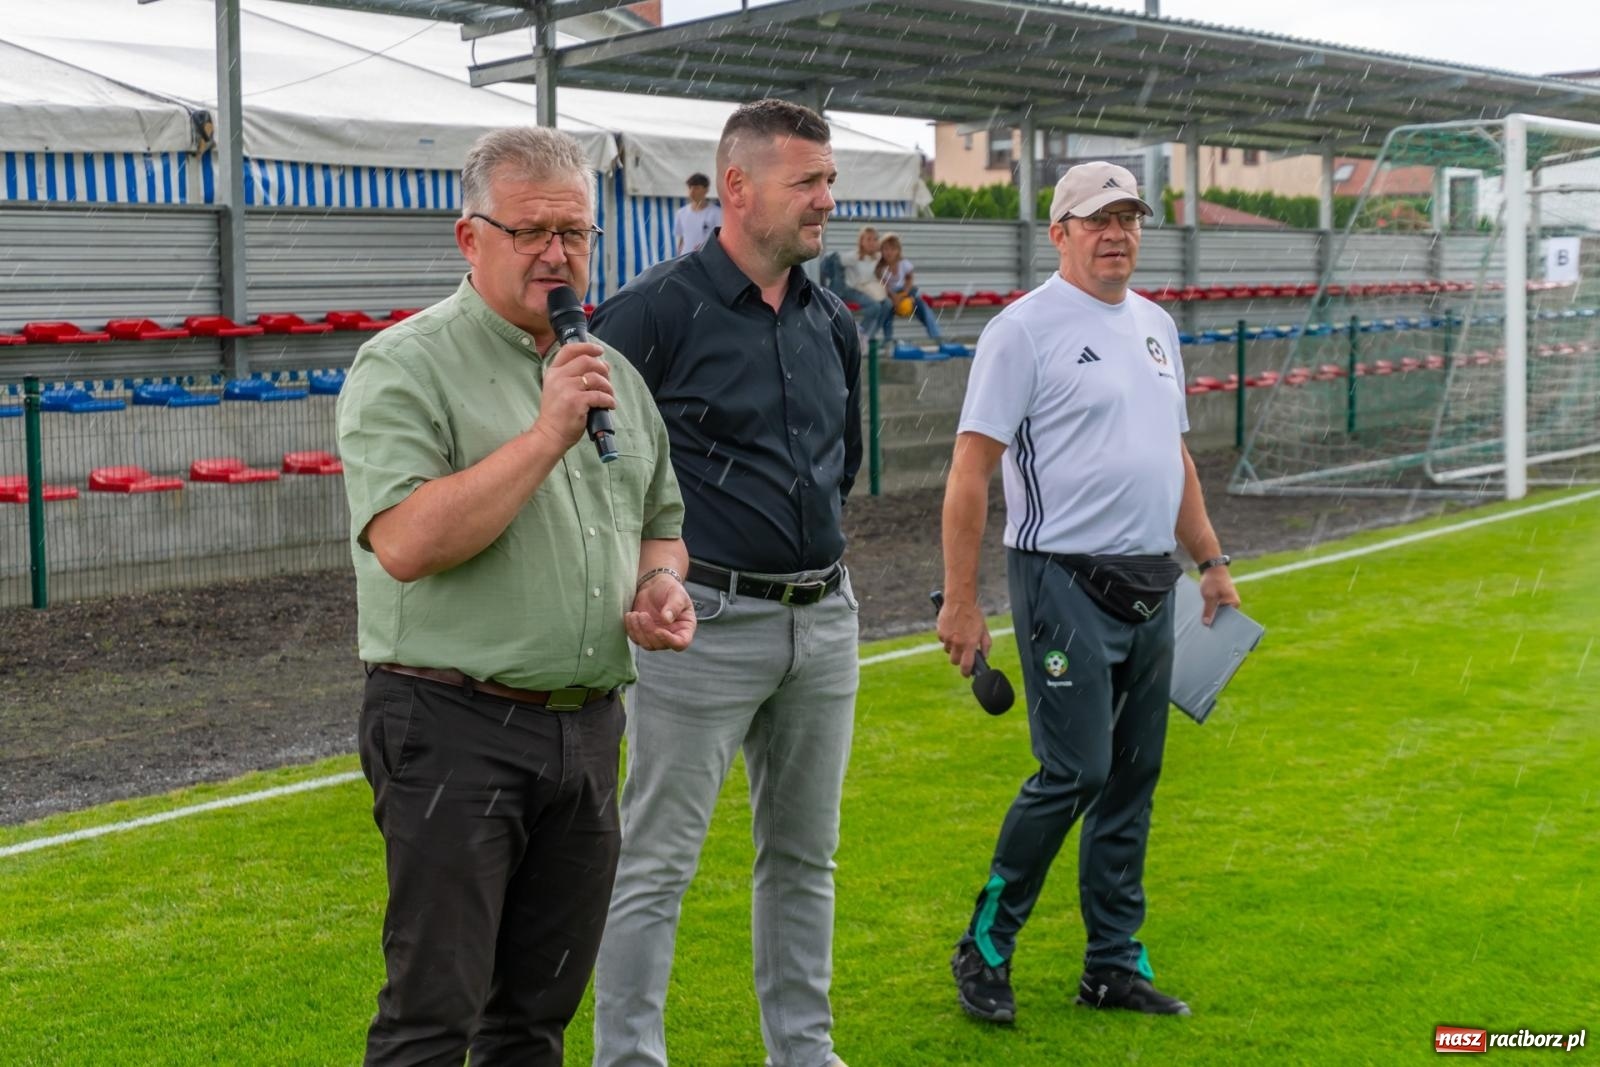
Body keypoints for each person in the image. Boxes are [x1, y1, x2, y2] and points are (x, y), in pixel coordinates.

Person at [336, 126, 695, 1067]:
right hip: (452, 720)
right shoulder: (406, 365)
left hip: (587, 727)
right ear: (470, 238)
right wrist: (544, 435)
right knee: (432, 1016)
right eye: (532, 229)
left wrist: (660, 583)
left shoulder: (610, 371)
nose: (558, 253)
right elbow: (407, 542)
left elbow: (661, 514)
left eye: (576, 231)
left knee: (535, 1019)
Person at [588, 98, 863, 1067]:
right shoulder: (650, 312)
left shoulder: (834, 321)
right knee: (655, 864)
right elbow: (583, 468)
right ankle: (627, 1056)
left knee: (804, 860)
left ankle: (803, 1051)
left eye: (829, 179)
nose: (827, 199)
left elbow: (841, 470)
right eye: (808, 181)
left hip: (823, 619)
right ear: (736, 188)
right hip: (699, 623)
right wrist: (636, 580)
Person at [936, 161, 1241, 1026]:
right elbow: (970, 469)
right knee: (1076, 769)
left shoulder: (1155, 325)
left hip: (1155, 579)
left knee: (1134, 777)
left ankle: (1112, 963)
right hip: (1060, 577)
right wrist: (963, 599)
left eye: (1130, 218)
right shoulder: (1022, 331)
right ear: (1059, 232)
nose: (1118, 233)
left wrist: (1210, 558)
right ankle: (985, 945)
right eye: (1098, 218)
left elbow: (1172, 454)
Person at [820, 225, 894, 344]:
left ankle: (871, 333)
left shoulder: (878, 257)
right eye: (868, 239)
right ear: (861, 242)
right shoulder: (853, 256)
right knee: (874, 307)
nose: (872, 243)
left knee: (888, 304)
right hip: (852, 290)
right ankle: (860, 335)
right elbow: (832, 263)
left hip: (869, 289)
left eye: (875, 239)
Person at [875, 231, 943, 344]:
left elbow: (909, 279)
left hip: (906, 291)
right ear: (881, 251)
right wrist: (894, 297)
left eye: (892, 249)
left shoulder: (904, 263)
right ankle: (888, 339)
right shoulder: (880, 268)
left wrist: (904, 295)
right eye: (886, 249)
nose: (889, 252)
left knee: (922, 307)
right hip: (890, 294)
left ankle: (936, 336)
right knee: (887, 308)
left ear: (898, 251)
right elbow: (883, 286)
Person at [672, 172, 721, 255]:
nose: (692, 191)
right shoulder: (681, 213)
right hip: (686, 261)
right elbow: (681, 240)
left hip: (708, 260)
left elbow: (721, 240)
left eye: (696, 188)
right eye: (690, 187)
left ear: (706, 189)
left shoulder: (717, 213)